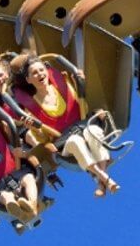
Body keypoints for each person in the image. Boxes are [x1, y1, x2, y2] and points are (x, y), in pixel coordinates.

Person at [10, 54, 120, 197]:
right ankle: (104, 178)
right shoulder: (31, 107)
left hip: (83, 126)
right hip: (64, 143)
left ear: (47, 71)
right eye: (34, 73)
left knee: (93, 130)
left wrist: (80, 80)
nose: (39, 75)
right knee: (76, 141)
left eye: (41, 70)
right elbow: (43, 139)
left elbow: (81, 103)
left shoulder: (64, 81)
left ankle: (101, 183)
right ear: (28, 79)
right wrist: (32, 127)